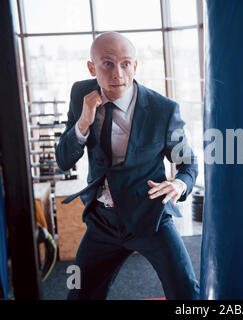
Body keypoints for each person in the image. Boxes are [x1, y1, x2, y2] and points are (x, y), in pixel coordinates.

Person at [56, 32, 199, 300]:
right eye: (107, 64)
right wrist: (83, 123)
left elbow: (188, 164)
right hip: (103, 221)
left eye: (125, 64)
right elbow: (64, 160)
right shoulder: (80, 94)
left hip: (150, 217)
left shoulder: (163, 110)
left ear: (135, 66)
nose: (118, 74)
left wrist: (178, 184)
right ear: (92, 67)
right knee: (77, 293)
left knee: (186, 293)